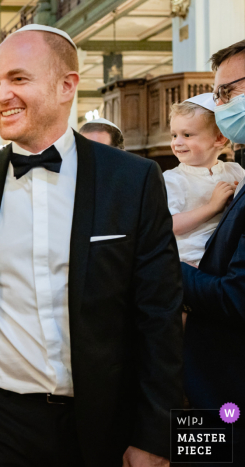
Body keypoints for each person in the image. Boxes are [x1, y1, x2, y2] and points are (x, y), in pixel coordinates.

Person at [0, 25, 183, 467]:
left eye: (18, 79)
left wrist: (156, 432)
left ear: (66, 85)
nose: (0, 95)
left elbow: (160, 314)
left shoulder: (132, 179)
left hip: (102, 417)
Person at [181, 40, 245, 465]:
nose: (219, 103)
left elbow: (236, 298)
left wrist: (161, 263)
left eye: (227, 92)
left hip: (227, 398)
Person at [164, 93, 244, 267]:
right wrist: (212, 207)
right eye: (174, 135)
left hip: (230, 257)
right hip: (191, 263)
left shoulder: (235, 171)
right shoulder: (172, 179)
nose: (177, 142)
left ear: (219, 138)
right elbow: (169, 225)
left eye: (187, 135)